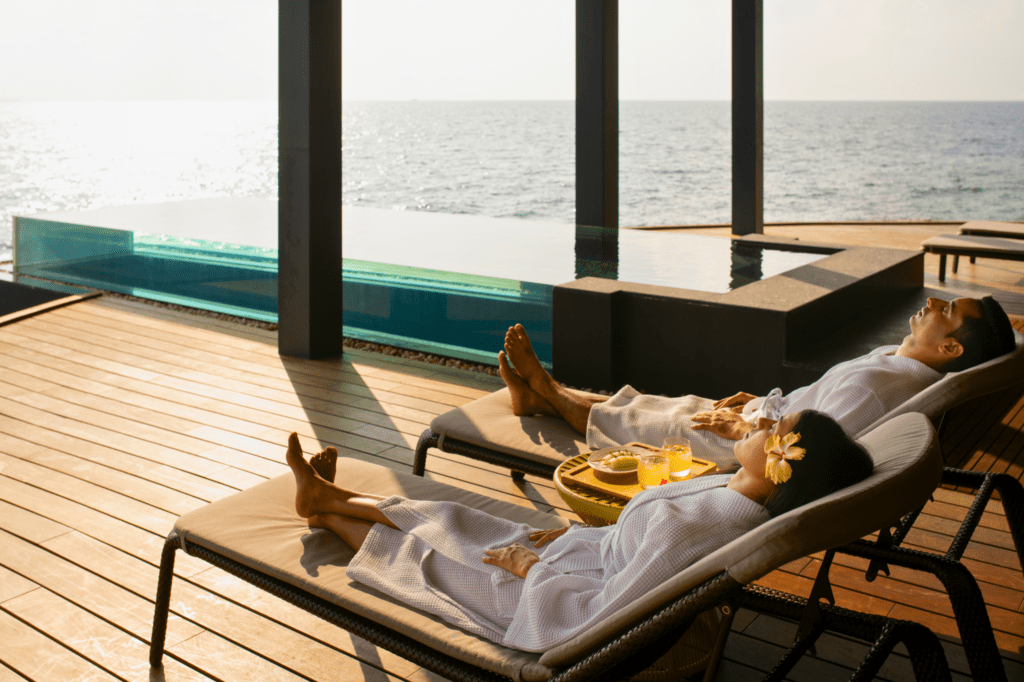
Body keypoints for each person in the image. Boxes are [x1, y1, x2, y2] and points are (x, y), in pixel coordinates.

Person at [286, 411, 873, 652]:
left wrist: (532, 570)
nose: (763, 422)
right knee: (452, 517)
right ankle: (330, 498)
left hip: (551, 602)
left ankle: (324, 510)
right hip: (571, 560)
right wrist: (564, 542)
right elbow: (632, 550)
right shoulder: (730, 495)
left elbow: (610, 613)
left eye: (776, 429)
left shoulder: (709, 524)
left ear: (780, 464)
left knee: (420, 562)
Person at [498, 295, 1015, 471]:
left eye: (945, 311)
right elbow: (813, 409)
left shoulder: (880, 387)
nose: (930, 305)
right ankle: (541, 396)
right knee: (661, 404)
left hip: (741, 451)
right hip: (756, 420)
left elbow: (804, 449)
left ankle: (548, 390)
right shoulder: (897, 364)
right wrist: (764, 404)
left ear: (950, 349)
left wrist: (745, 428)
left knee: (635, 422)